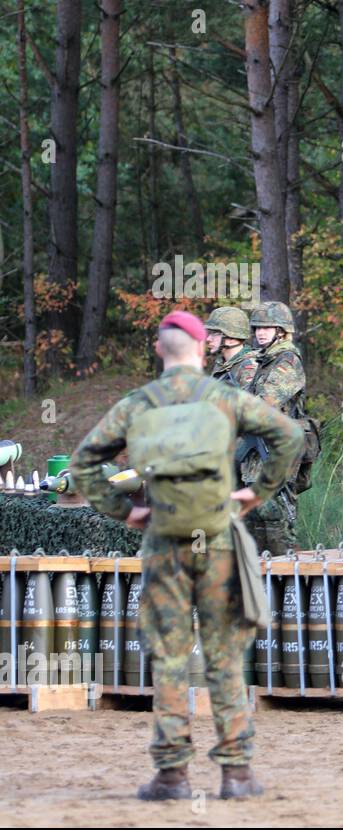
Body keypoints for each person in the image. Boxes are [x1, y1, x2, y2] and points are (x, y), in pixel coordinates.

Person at [69, 310, 304, 801]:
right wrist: (257, 492)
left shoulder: (138, 403)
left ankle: (172, 774)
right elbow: (290, 435)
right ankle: (236, 774)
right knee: (224, 656)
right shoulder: (225, 397)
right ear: (202, 350)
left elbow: (85, 462)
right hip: (216, 535)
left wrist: (125, 512)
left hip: (164, 542)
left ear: (160, 350)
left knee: (171, 657)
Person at [239, 302, 309, 557]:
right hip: (257, 449)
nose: (260, 332)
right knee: (256, 516)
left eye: (267, 327)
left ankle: (288, 586)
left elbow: (266, 401)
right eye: (257, 327)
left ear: (281, 330)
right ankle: (263, 587)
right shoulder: (263, 360)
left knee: (277, 520)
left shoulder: (287, 359)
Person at [204, 306, 260, 388]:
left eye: (215, 334)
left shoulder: (248, 367)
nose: (208, 339)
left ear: (231, 339)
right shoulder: (221, 362)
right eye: (209, 333)